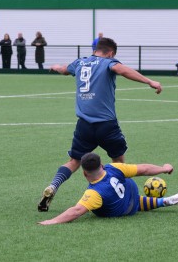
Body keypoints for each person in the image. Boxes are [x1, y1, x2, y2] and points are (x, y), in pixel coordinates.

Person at [38, 37, 162, 212]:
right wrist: (150, 81)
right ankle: (121, 195)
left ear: (96, 49)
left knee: (74, 161)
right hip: (107, 125)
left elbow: (64, 69)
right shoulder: (108, 63)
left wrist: (55, 66)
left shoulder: (80, 63)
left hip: (84, 125)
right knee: (119, 162)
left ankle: (53, 185)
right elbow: (122, 70)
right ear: (110, 53)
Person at [38, 152, 178, 225]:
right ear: (101, 165)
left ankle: (163, 201)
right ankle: (164, 201)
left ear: (84, 173)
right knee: (132, 197)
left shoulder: (94, 192)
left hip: (123, 211)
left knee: (110, 202)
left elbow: (76, 211)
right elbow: (144, 169)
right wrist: (163, 168)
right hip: (131, 196)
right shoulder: (114, 167)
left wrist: (51, 221)